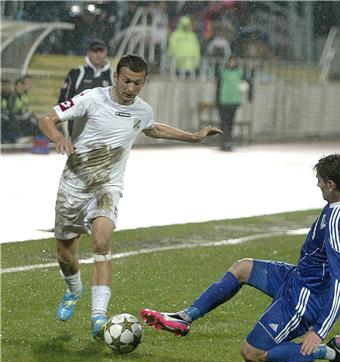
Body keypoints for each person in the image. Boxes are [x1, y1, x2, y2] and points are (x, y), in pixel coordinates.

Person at [140, 75, 340, 362]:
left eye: (319, 182)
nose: (317, 186)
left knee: (252, 353)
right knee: (242, 268)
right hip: (298, 275)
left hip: (306, 296)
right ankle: (184, 318)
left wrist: (320, 331)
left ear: (331, 184)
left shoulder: (337, 226)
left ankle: (331, 352)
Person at [38, 54, 223, 340]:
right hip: (74, 186)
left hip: (107, 187)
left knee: (101, 241)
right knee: (65, 254)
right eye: (126, 81)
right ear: (116, 77)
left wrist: (194, 137)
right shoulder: (91, 98)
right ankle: (73, 290)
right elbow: (46, 120)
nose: (131, 88)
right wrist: (58, 138)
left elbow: (154, 128)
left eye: (138, 83)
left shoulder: (141, 110)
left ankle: (98, 317)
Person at [59, 38, 114, 138]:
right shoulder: (77, 73)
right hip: (78, 129)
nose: (98, 54)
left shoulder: (113, 75)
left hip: (104, 130)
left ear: (106, 52)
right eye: (95, 51)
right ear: (88, 53)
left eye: (101, 51)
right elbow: (64, 99)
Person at [216, 55, 251, 151]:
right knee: (223, 122)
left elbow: (247, 83)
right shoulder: (223, 72)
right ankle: (224, 141)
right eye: (231, 61)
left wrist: (249, 95)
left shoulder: (240, 72)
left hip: (234, 101)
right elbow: (218, 87)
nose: (232, 63)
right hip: (224, 100)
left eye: (234, 61)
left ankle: (228, 141)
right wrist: (217, 100)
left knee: (230, 122)